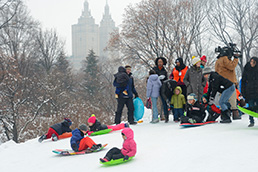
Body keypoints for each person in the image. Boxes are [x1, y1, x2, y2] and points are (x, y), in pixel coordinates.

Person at [215, 50, 241, 119]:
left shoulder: (218, 61)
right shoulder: (224, 59)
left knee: (222, 100)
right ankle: (235, 115)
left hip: (222, 84)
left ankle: (224, 115)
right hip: (229, 83)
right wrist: (235, 58)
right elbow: (231, 66)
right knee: (232, 101)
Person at [241, 57, 258, 127]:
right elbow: (243, 81)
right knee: (250, 106)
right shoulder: (247, 69)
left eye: (253, 62)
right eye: (251, 62)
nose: (252, 63)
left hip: (257, 91)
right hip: (250, 91)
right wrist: (243, 92)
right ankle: (251, 121)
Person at [153, 57, 169, 122]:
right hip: (155, 87)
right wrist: (157, 78)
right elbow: (151, 78)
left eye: (161, 62)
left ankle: (165, 116)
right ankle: (155, 117)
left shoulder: (164, 71)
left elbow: (166, 80)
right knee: (154, 103)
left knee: (164, 102)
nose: (159, 63)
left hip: (163, 88)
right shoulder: (154, 69)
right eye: (158, 62)